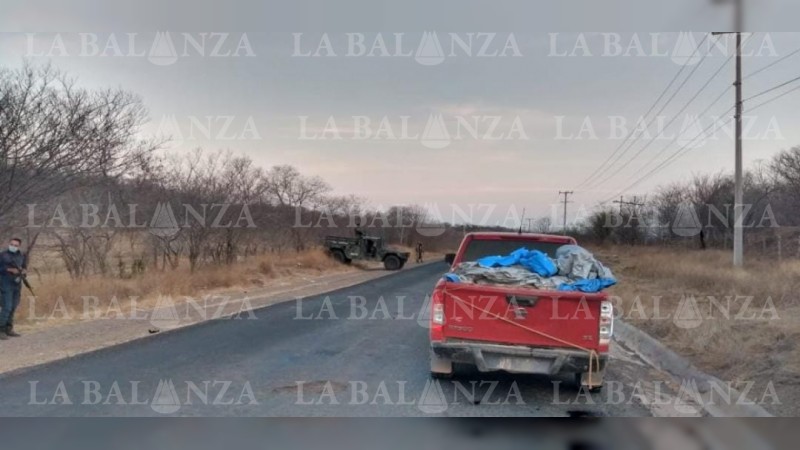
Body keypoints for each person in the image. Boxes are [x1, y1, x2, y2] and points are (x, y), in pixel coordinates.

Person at [0, 237, 27, 338]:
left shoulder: (22, 255)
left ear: (19, 246)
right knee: (6, 307)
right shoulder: (3, 255)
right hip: (5, 282)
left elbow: (24, 267)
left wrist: (23, 271)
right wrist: (9, 269)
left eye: (16, 245)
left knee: (13, 306)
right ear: (9, 244)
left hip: (17, 283)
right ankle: (1, 329)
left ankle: (9, 329)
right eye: (12, 244)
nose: (13, 247)